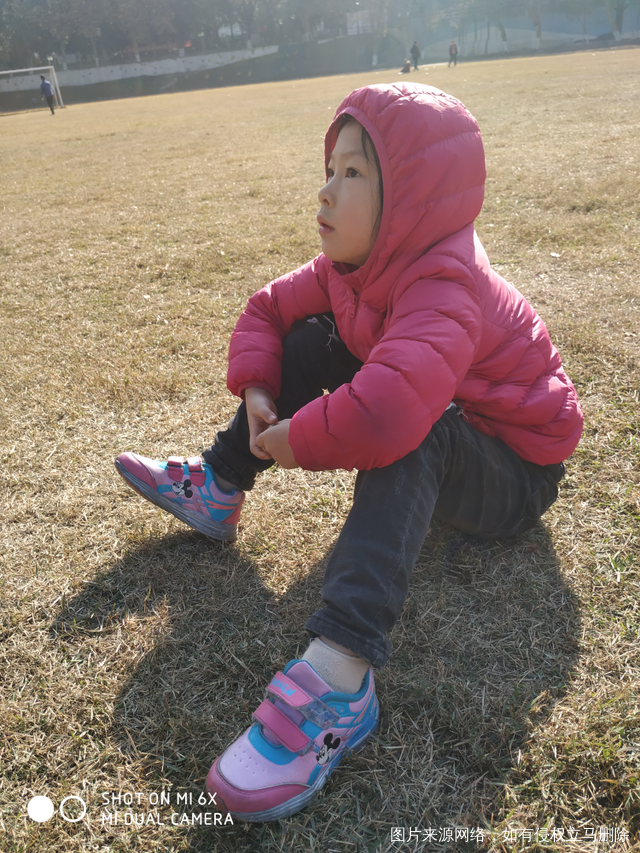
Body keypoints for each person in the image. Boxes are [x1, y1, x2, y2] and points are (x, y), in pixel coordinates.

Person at [115, 83, 583, 822]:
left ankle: (340, 676)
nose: (327, 191)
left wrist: (298, 438)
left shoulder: (446, 279)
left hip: (517, 467)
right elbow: (269, 308)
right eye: (330, 169)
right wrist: (258, 387)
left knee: (418, 424)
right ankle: (220, 485)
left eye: (355, 172)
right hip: (458, 419)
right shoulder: (353, 266)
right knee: (310, 339)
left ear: (412, 198)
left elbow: (391, 413)